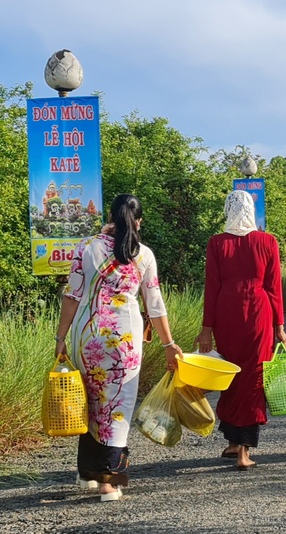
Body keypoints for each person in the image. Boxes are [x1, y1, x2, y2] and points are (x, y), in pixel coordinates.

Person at [55, 194, 183, 502]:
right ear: (138, 221)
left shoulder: (85, 249)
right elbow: (155, 305)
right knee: (117, 408)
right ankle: (109, 482)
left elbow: (71, 297)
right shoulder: (143, 255)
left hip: (88, 337)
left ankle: (87, 473)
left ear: (111, 216)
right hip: (125, 342)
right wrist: (168, 344)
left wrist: (60, 338)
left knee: (90, 401)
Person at [196, 190, 286, 470]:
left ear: (228, 210)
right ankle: (243, 451)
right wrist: (280, 328)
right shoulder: (267, 241)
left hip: (227, 313)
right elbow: (274, 288)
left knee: (230, 374)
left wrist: (206, 329)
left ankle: (233, 442)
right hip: (259, 315)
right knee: (253, 378)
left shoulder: (216, 243)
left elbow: (211, 288)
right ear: (252, 211)